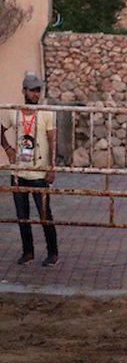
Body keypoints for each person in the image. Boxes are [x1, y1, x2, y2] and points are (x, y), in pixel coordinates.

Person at [0, 73, 59, 265]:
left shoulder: (46, 112)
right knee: (22, 216)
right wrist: (8, 149)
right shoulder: (14, 112)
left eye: (38, 91)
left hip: (39, 172)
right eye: (32, 90)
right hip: (18, 172)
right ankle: (28, 252)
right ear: (24, 91)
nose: (35, 94)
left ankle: (53, 252)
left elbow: (52, 140)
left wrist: (51, 167)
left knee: (44, 214)